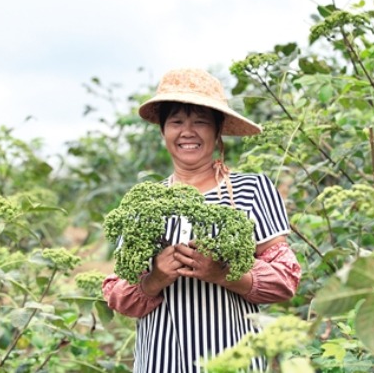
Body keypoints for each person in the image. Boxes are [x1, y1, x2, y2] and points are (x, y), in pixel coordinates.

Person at [102, 68, 301, 373]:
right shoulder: (145, 201)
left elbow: (285, 280)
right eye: (177, 122)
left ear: (217, 130)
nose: (188, 132)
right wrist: (155, 277)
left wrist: (223, 273)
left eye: (201, 122)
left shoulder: (251, 190)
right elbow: (118, 295)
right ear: (163, 132)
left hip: (234, 360)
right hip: (160, 361)